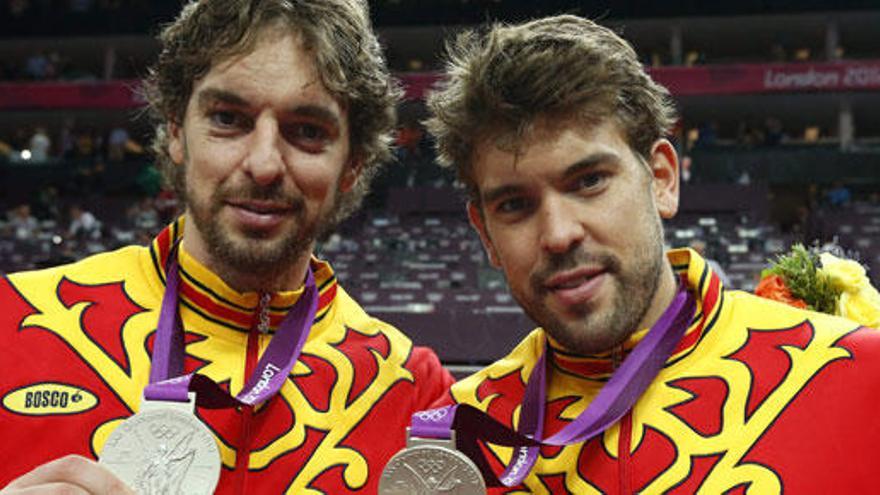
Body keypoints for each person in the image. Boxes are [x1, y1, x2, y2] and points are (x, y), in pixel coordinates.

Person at [0, 1, 453, 493]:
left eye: (307, 132)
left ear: (353, 165)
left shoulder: (416, 396)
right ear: (176, 131)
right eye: (228, 118)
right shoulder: (12, 321)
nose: (263, 164)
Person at [424, 15, 880, 494]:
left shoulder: (855, 376)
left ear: (662, 178)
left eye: (589, 181)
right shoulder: (457, 444)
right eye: (515, 205)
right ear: (486, 235)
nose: (558, 235)